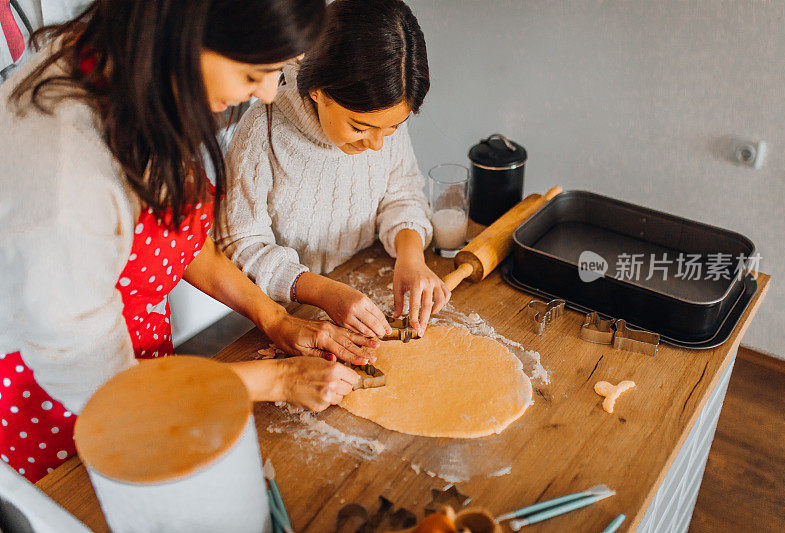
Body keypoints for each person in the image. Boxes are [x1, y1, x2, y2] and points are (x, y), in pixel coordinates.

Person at [0, 0, 375, 483]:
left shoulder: (132, 64)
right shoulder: (65, 177)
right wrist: (278, 379)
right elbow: (110, 395)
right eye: (254, 73)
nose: (265, 94)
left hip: (151, 372)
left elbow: (175, 235)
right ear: (186, 30)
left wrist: (275, 318)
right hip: (54, 405)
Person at [218, 0, 450, 342]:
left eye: (392, 130)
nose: (376, 145)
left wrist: (411, 256)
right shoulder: (262, 132)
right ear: (318, 90)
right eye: (359, 127)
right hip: (286, 309)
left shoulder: (379, 117)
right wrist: (323, 292)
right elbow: (239, 244)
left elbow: (402, 193)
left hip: (365, 278)